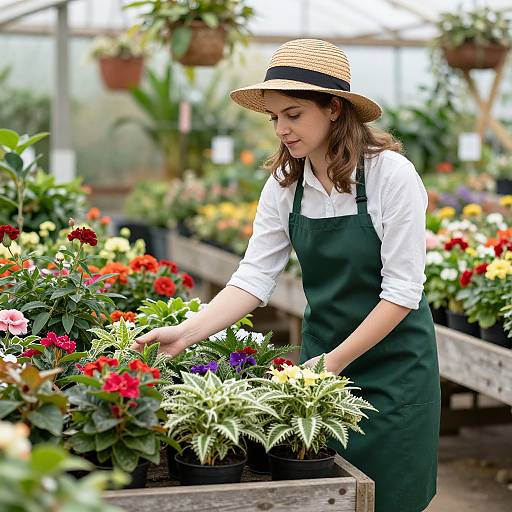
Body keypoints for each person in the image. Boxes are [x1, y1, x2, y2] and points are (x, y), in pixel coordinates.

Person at [134, 39, 441, 512]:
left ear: (335, 109)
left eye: (294, 114)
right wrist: (187, 333)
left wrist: (331, 365)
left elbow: (402, 292)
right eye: (274, 117)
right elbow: (254, 277)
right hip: (322, 361)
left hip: (396, 367)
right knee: (325, 497)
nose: (281, 129)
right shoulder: (285, 186)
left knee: (391, 497)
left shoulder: (389, 175)